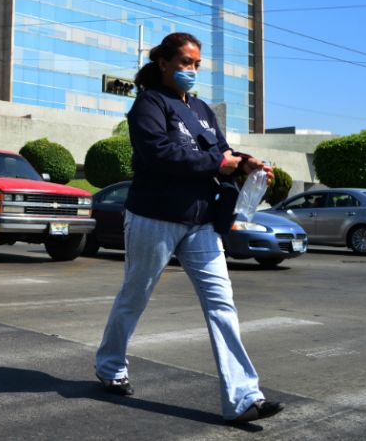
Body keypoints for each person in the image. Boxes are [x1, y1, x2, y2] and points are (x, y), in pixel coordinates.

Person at [94, 32, 284, 425]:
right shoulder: (148, 104)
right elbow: (160, 154)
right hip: (153, 217)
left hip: (200, 222)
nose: (192, 71)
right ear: (164, 63)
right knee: (135, 294)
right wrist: (220, 164)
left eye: (197, 64)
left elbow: (222, 151)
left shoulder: (201, 109)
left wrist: (247, 163)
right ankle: (111, 366)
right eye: (185, 63)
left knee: (222, 305)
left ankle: (243, 397)